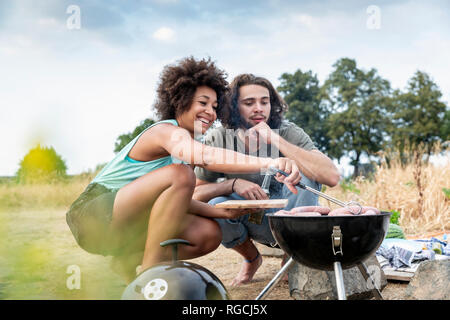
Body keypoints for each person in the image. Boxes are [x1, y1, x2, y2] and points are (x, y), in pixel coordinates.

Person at [65, 58, 302, 284]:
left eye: (214, 106)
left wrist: (222, 214)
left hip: (128, 224)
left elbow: (177, 203)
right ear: (181, 100)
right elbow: (206, 157)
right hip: (93, 215)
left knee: (209, 233)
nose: (210, 112)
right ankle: (151, 277)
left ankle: (128, 260)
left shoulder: (186, 149)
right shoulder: (166, 132)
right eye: (203, 103)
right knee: (180, 174)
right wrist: (270, 163)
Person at [194, 73, 340, 286]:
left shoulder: (288, 131)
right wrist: (232, 184)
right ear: (233, 107)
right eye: (249, 102)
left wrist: (275, 139)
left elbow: (332, 177)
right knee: (216, 204)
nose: (259, 108)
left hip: (294, 216)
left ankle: (292, 257)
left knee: (308, 173)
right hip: (252, 217)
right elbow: (195, 194)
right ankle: (252, 258)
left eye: (265, 101)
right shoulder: (219, 137)